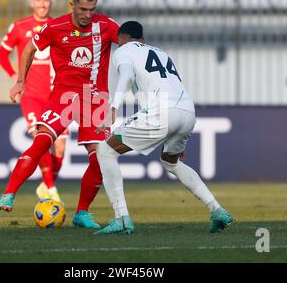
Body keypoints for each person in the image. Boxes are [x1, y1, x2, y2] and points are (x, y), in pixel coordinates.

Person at [0, 0, 120, 229]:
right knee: (42, 140)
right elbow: (30, 48)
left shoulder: (106, 25)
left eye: (91, 9)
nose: (87, 15)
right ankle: (9, 192)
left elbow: (133, 45)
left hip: (94, 98)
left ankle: (81, 213)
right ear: (72, 4)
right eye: (83, 9)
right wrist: (20, 81)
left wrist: (118, 98)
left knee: (100, 157)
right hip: (63, 95)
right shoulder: (54, 27)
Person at [94, 21, 233, 235]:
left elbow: (127, 76)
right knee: (171, 162)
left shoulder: (123, 51)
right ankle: (216, 210)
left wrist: (113, 106)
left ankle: (121, 218)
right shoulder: (163, 54)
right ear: (142, 39)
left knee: (105, 151)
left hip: (162, 111)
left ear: (121, 39)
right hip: (187, 111)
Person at [0, 0, 68, 202]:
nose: (42, 3)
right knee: (40, 139)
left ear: (51, 3)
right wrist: (16, 78)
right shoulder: (20, 26)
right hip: (32, 96)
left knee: (60, 146)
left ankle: (46, 186)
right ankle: (51, 190)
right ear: (31, 3)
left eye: (46, 0)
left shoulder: (58, 26)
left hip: (56, 95)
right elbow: (2, 54)